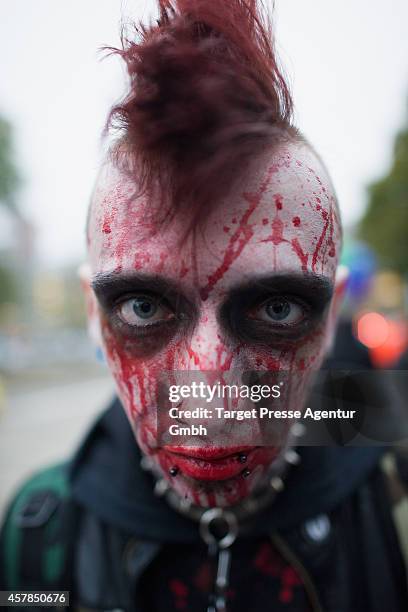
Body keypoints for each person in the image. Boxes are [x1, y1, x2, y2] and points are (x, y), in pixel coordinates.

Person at [1, 1, 407, 610]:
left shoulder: (389, 498)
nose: (212, 397)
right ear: (92, 312)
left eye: (278, 310)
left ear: (332, 317)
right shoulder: (40, 538)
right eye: (141, 307)